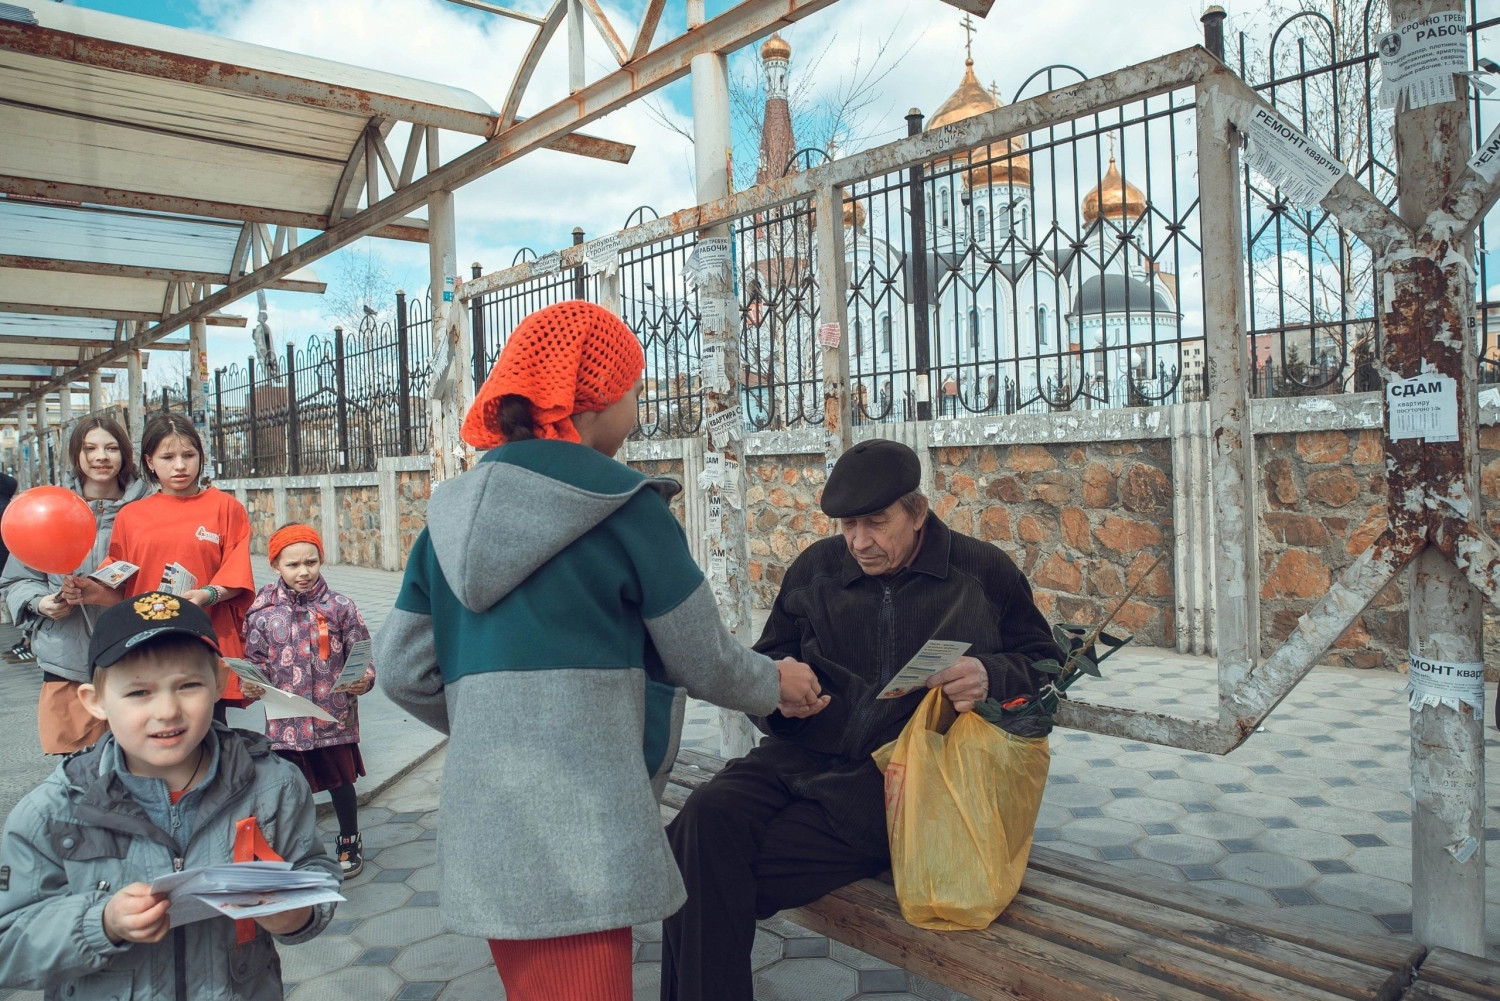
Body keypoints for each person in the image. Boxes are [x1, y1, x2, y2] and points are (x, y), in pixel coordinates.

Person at [376, 300, 825, 1001]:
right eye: (633, 391)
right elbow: (702, 657)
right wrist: (777, 683)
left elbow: (402, 671)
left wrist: (497, 724)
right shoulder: (625, 507)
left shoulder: (446, 520)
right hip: (580, 834)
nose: (637, 410)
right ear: (591, 400)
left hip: (487, 828)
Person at [660, 438, 1063, 1001]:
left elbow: (1047, 667)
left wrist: (990, 673)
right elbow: (770, 662)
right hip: (794, 758)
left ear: (917, 512)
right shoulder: (817, 569)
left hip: (895, 784)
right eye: (848, 525)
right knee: (704, 816)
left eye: (876, 523)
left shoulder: (981, 571)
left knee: (696, 868)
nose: (859, 542)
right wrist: (779, 694)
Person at [0, 592, 338, 999]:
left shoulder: (273, 784)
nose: (167, 711)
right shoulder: (54, 811)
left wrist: (295, 912)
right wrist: (101, 922)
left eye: (188, 685)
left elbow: (314, 870)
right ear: (95, 701)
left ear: (219, 682)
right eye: (138, 693)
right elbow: (8, 944)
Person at [1, 417, 149, 753]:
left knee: (142, 765)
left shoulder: (148, 510)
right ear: (76, 455)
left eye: (111, 448)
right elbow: (18, 579)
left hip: (136, 659)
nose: (101, 457)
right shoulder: (48, 508)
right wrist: (41, 603)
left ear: (125, 455)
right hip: (66, 660)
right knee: (79, 770)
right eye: (90, 448)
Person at [240, 523, 376, 879]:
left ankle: (349, 839)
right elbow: (255, 662)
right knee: (288, 787)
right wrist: (251, 684)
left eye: (311, 562)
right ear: (275, 565)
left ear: (321, 560)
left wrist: (363, 680)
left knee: (340, 781)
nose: (303, 572)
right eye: (293, 564)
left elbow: (361, 654)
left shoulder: (341, 608)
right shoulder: (262, 613)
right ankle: (294, 846)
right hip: (286, 723)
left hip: (333, 716)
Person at [107, 413, 256, 712]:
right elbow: (117, 580)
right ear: (149, 461)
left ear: (201, 456)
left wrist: (206, 595)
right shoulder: (130, 516)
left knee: (209, 725)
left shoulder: (226, 508)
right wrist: (84, 589)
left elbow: (238, 576)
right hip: (148, 643)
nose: (180, 465)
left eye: (188, 455)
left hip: (206, 642)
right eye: (168, 457)